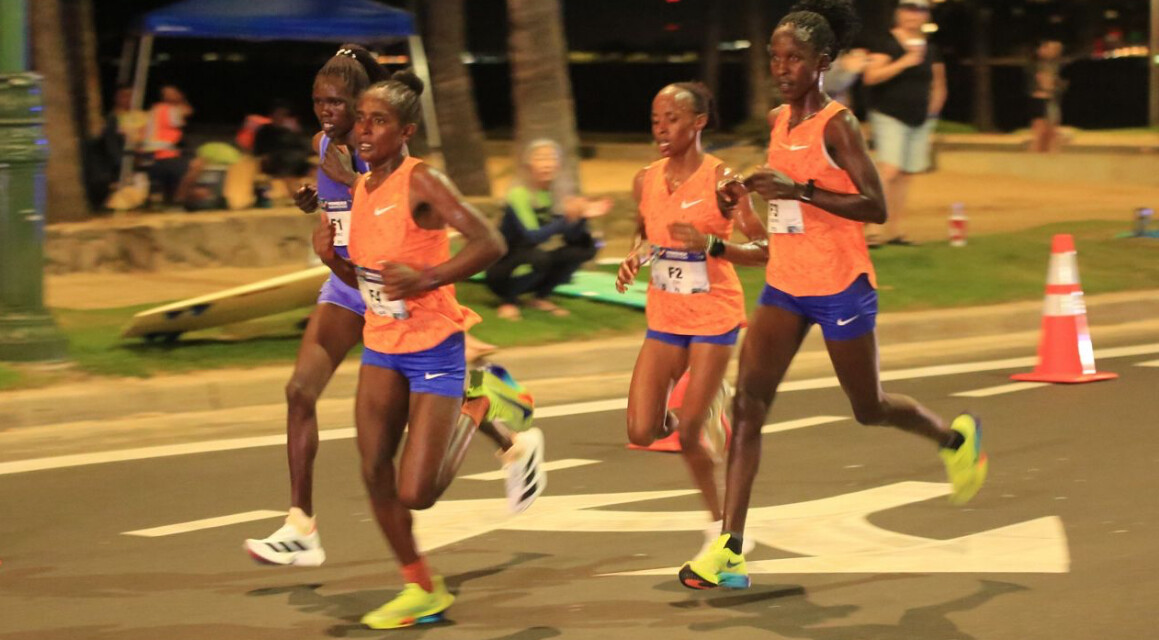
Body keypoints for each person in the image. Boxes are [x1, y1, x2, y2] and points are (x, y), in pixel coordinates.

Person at [679, 0, 987, 591]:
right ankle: (730, 548)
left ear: (822, 62)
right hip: (786, 283)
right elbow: (784, 197)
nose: (782, 68)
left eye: (794, 58)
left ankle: (953, 439)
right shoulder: (778, 120)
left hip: (841, 285)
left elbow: (876, 206)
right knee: (748, 405)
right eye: (775, 57)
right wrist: (744, 191)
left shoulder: (838, 125)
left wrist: (800, 189)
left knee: (868, 408)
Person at [243, 48, 534, 571]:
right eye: (318, 102)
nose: (327, 112)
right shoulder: (324, 145)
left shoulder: (380, 152)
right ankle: (301, 524)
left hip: (398, 292)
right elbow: (348, 211)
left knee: (417, 449)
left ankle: (485, 408)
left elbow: (396, 205)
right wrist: (319, 202)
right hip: (348, 282)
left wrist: (352, 185)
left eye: (339, 103)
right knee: (300, 392)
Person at [313, 71, 537, 629]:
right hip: (381, 343)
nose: (364, 130)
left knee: (417, 493)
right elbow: (368, 280)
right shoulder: (362, 187)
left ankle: (478, 405)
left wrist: (427, 278)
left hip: (434, 346)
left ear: (406, 131)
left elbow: (491, 241)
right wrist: (332, 260)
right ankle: (421, 586)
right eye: (361, 120)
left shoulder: (423, 181)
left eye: (379, 121)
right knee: (373, 469)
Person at [615, 82, 766, 544]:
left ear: (699, 122)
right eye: (655, 121)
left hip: (712, 317)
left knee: (688, 437)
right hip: (666, 316)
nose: (661, 129)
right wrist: (636, 256)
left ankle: (722, 528)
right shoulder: (645, 179)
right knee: (642, 430)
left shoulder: (723, 183)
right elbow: (647, 233)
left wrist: (713, 245)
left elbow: (764, 249)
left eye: (672, 119)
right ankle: (700, 410)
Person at [485, 140, 610, 320]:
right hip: (502, 266)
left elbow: (571, 238)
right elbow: (533, 236)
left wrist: (581, 218)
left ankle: (540, 297)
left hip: (531, 256)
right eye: (540, 158)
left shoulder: (554, 195)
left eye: (551, 158)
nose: (547, 164)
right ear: (528, 166)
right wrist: (566, 219)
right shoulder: (519, 194)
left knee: (586, 248)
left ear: (558, 165)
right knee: (539, 257)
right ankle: (509, 300)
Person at [862, 0, 946, 247]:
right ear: (899, 13)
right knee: (889, 171)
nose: (914, 15)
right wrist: (904, 62)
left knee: (906, 174)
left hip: (919, 120)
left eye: (920, 10)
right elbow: (871, 77)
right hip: (889, 114)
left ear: (926, 16)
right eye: (908, 9)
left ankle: (895, 231)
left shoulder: (931, 49)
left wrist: (931, 115)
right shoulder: (885, 43)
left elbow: (939, 85)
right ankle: (872, 228)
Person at [142, 84, 194, 206]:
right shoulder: (168, 109)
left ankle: (169, 200)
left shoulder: (155, 109)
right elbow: (188, 111)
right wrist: (181, 99)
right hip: (162, 155)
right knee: (196, 165)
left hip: (152, 155)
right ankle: (179, 201)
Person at [1028, 39, 1066, 153]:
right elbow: (1039, 82)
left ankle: (1049, 153)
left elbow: (1058, 83)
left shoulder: (1056, 65)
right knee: (1040, 130)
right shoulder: (1036, 65)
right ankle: (1037, 153)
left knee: (1051, 130)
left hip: (1050, 98)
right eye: (1048, 48)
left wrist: (1054, 86)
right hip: (1041, 98)